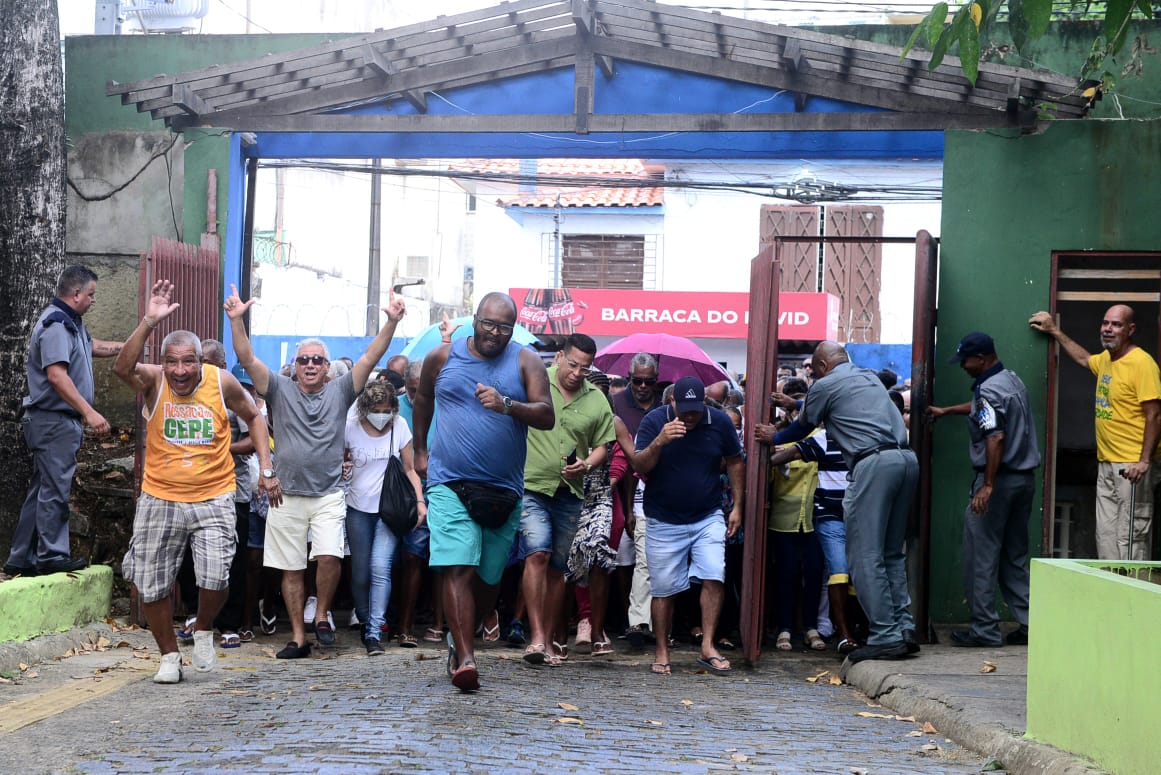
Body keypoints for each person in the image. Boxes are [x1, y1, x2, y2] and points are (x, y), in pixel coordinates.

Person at [226, 283, 406, 659]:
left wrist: (390, 322)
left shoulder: (341, 391)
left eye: (317, 361)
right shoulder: (277, 387)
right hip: (284, 494)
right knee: (290, 569)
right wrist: (236, 320)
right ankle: (298, 637)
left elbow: (371, 358)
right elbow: (246, 355)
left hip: (327, 494)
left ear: (327, 368)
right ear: (295, 365)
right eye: (304, 359)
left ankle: (322, 612)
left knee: (329, 557)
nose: (310, 365)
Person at [113, 280, 275, 684]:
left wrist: (267, 470)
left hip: (214, 495)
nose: (181, 371)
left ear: (201, 361)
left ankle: (202, 628)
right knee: (151, 583)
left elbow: (255, 417)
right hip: (159, 497)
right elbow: (121, 367)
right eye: (173, 362)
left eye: (189, 362)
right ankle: (169, 655)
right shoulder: (154, 381)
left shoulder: (220, 383)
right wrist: (149, 321)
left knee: (217, 575)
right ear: (164, 362)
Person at [412, 292, 554, 692]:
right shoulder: (443, 357)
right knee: (458, 566)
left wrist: (508, 404)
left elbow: (546, 414)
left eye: (504, 327)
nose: (495, 333)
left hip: (503, 489)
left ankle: (462, 641)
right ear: (474, 319)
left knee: (489, 579)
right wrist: (421, 449)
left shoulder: (525, 359)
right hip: (448, 482)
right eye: (489, 323)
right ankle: (467, 659)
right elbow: (422, 399)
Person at [773, 341, 918, 663]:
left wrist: (773, 438)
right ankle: (905, 629)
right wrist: (797, 400)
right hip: (905, 460)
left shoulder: (826, 384)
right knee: (892, 553)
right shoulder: (866, 377)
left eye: (813, 369)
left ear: (822, 366)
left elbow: (803, 426)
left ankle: (886, 635)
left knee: (865, 555)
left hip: (872, 465)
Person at [6, 265, 124, 577]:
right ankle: (52, 556)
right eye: (91, 294)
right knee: (56, 489)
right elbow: (57, 376)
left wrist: (125, 348)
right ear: (75, 294)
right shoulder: (56, 324)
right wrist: (90, 412)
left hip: (52, 422)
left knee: (42, 488)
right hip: (54, 421)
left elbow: (91, 346)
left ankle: (21, 557)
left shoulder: (71, 324)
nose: (93, 300)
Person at [931, 332, 1041, 647]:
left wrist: (988, 485)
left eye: (966, 360)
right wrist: (948, 410)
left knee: (981, 557)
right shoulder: (1010, 380)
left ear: (981, 358)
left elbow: (994, 436)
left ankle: (984, 630)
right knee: (1013, 557)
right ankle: (1030, 623)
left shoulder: (989, 389)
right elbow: (985, 409)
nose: (963, 366)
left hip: (999, 482)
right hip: (1023, 481)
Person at [1030, 305, 1161, 560]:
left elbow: (1155, 415)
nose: (1108, 329)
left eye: (1116, 324)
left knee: (1131, 539)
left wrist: (1144, 461)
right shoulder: (1107, 360)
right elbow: (1083, 358)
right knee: (1106, 539)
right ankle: (1112, 595)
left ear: (1130, 330)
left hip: (1132, 466)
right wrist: (1055, 330)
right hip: (1107, 463)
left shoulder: (1142, 364)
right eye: (1105, 323)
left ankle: (1133, 597)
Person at [633, 376, 744, 676]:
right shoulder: (654, 421)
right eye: (685, 410)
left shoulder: (719, 421)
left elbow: (735, 461)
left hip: (708, 514)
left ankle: (707, 645)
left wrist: (737, 507)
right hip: (663, 518)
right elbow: (639, 465)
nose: (691, 416)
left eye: (696, 409)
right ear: (672, 403)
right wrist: (661, 440)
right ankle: (662, 651)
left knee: (713, 575)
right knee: (664, 588)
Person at [520, 333, 615, 666]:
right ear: (559, 356)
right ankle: (535, 639)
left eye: (585, 368)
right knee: (538, 553)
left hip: (571, 492)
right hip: (532, 485)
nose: (577, 373)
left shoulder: (596, 399)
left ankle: (547, 639)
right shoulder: (534, 381)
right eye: (573, 364)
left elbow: (605, 444)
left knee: (559, 569)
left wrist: (587, 464)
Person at [344, 380, 426, 656]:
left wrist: (419, 500)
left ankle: (374, 631)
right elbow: (340, 458)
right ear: (365, 408)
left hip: (389, 510)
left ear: (393, 408)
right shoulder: (351, 427)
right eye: (376, 409)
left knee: (381, 568)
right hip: (357, 507)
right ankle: (366, 617)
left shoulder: (400, 426)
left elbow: (410, 468)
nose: (381, 415)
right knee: (360, 572)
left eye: (386, 409)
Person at [611, 352, 663, 647]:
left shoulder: (664, 407)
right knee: (621, 562)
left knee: (649, 563)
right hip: (618, 492)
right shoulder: (616, 404)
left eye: (649, 381)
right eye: (637, 380)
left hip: (651, 498)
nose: (643, 386)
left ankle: (644, 622)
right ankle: (623, 618)